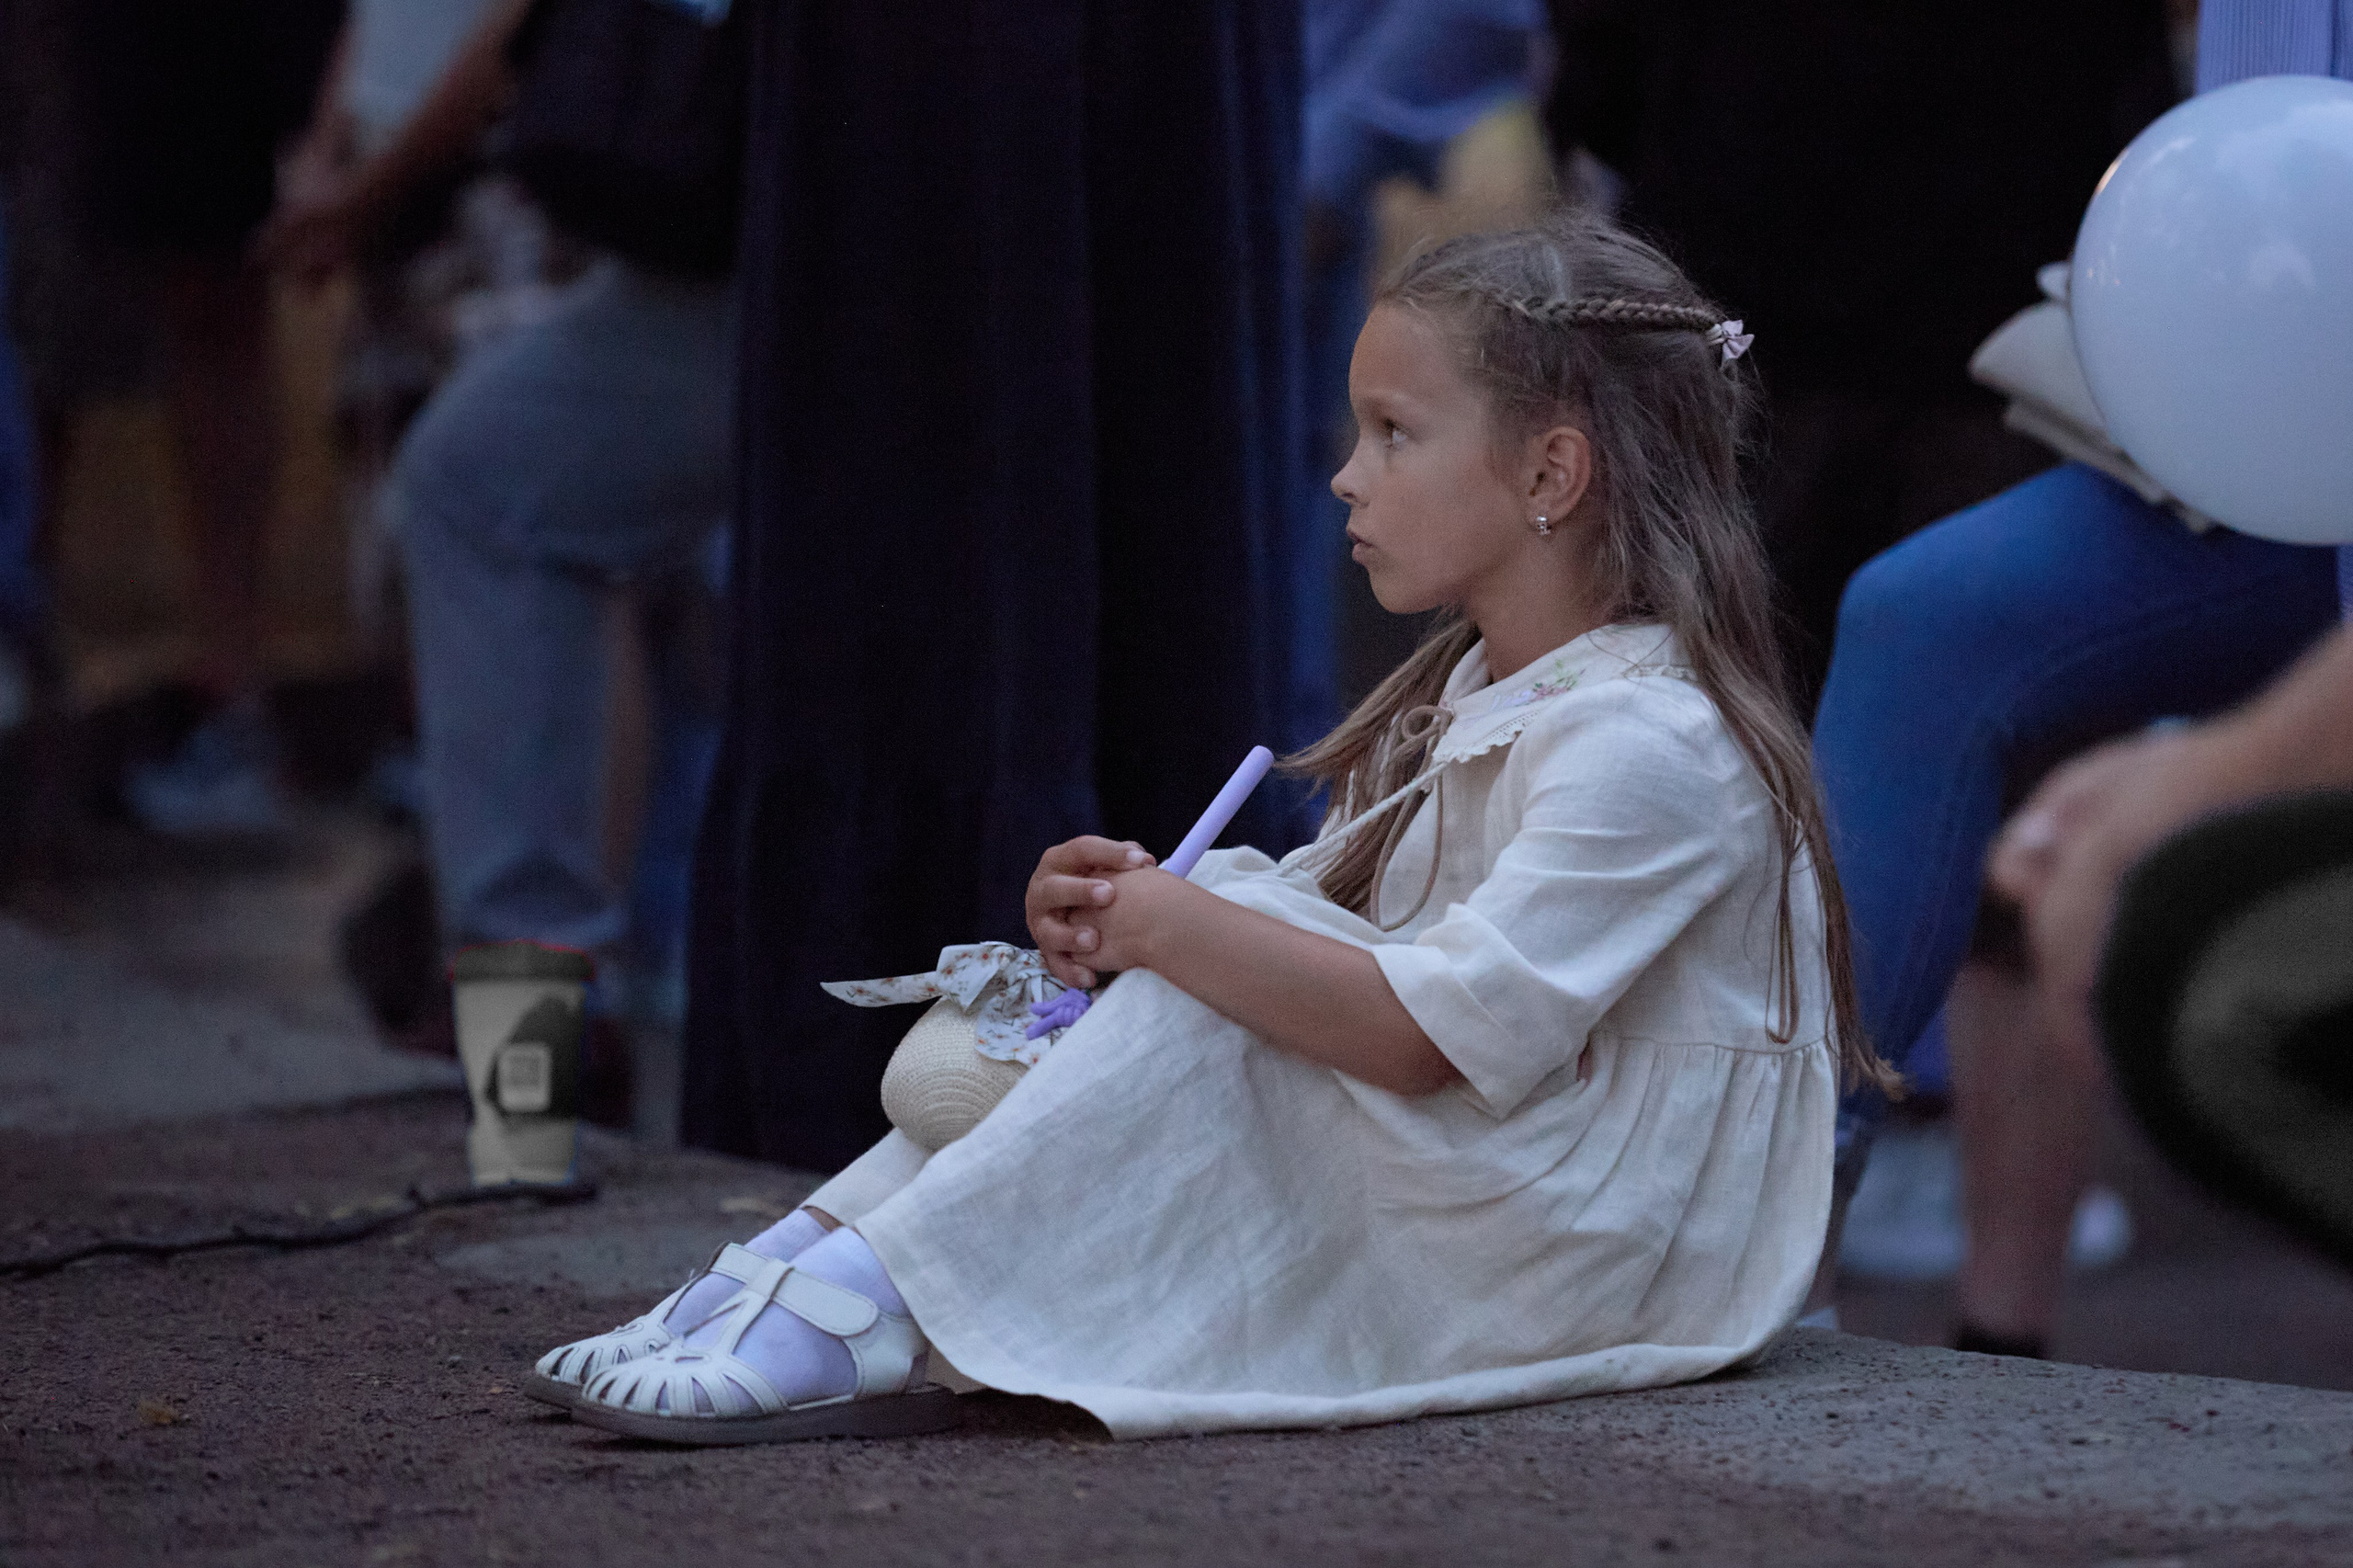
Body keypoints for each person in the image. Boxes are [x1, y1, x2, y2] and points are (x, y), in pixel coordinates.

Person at [516, 212, 1889, 1445]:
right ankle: (800, 1265)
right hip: (1512, 1171)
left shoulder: (1654, 744)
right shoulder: (1481, 691)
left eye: (1395, 434)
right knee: (1221, 942)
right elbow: (1341, 956)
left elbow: (1424, 1034)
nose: (1348, 476)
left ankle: (865, 1305)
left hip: (1599, 1242)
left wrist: (1178, 929)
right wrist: (1138, 919)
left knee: (1220, 955)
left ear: (1553, 470)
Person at [1807, 0, 2352, 1355]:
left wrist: (2203, 778)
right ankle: (1756, 1217)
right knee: (1922, 617)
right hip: (2269, 445)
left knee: (2163, 899)